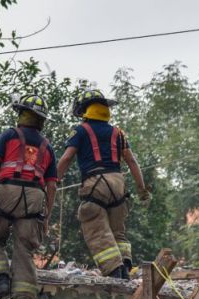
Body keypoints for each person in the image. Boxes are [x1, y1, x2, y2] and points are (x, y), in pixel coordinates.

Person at [0, 95, 57, 299]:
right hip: (35, 198)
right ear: (41, 121)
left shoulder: (9, 135)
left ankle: (0, 280)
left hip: (8, 191)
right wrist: (46, 216)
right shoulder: (48, 147)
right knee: (24, 249)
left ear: (21, 115)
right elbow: (52, 186)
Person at [56, 89, 149, 279]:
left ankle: (115, 270)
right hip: (118, 184)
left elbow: (66, 158)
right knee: (118, 231)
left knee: (94, 225)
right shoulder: (118, 132)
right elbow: (132, 161)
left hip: (95, 183)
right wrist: (142, 189)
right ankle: (124, 264)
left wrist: (51, 181)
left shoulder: (80, 131)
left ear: (85, 110)